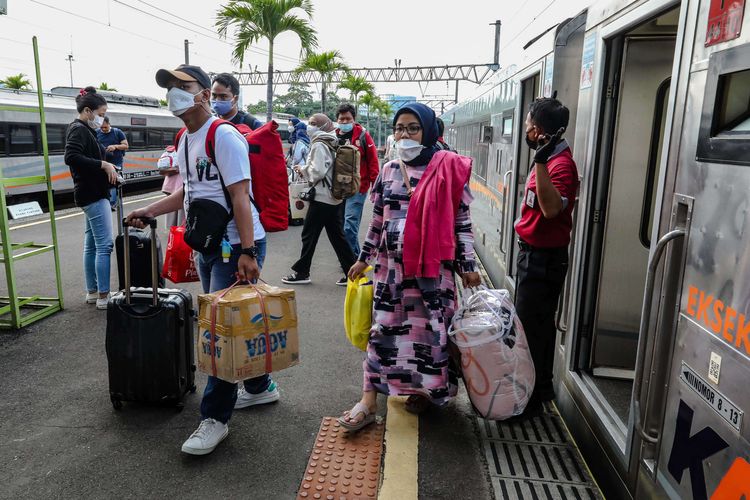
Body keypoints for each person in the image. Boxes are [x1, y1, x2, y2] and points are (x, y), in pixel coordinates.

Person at [126, 64, 277, 456]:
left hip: (235, 246)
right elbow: (189, 194)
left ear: (205, 94)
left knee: (219, 333)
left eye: (183, 86)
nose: (175, 93)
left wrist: (247, 251)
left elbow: (241, 197)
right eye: (170, 87)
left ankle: (215, 418)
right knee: (231, 325)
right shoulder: (185, 138)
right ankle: (260, 388)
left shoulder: (222, 136)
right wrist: (151, 210)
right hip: (210, 245)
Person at [339, 103, 481, 431]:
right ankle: (368, 401)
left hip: (434, 277)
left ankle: (424, 391)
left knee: (429, 338)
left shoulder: (449, 168)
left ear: (428, 131)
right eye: (399, 128)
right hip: (391, 275)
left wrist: (468, 264)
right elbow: (377, 221)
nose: (404, 134)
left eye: (412, 128)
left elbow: (462, 222)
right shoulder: (388, 170)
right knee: (383, 334)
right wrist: (363, 258)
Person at [513, 97, 579, 413]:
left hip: (543, 260)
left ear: (538, 130)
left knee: (530, 332)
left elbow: (552, 209)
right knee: (533, 329)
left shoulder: (559, 164)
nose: (525, 131)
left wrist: (540, 162)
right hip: (534, 257)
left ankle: (527, 404)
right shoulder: (550, 158)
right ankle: (537, 393)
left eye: (527, 126)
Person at [281, 114, 356, 286]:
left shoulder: (319, 144)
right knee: (337, 237)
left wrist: (303, 169)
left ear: (323, 126)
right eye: (310, 123)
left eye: (314, 124)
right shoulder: (333, 141)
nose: (310, 126)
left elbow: (318, 172)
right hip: (334, 197)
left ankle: (302, 272)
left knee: (309, 234)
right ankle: (352, 272)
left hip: (322, 197)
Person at [64, 87, 119, 310]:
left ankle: (92, 291)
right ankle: (104, 296)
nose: (102, 118)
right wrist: (103, 164)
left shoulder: (83, 129)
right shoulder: (79, 129)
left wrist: (107, 163)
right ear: (88, 110)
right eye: (101, 112)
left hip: (89, 192)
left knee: (92, 245)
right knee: (104, 245)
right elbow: (72, 157)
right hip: (93, 194)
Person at [335, 103, 379, 256]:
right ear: (337, 120)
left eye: (348, 119)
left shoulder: (363, 135)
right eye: (342, 119)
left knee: (349, 226)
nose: (345, 122)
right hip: (338, 188)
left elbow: (373, 161)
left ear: (354, 119)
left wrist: (376, 186)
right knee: (342, 227)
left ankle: (352, 260)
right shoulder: (333, 136)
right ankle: (353, 258)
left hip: (358, 187)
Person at [96, 116, 128, 210]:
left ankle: (112, 204)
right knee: (103, 182)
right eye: (101, 127)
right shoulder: (97, 133)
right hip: (103, 162)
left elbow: (126, 146)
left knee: (113, 181)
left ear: (109, 124)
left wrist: (115, 146)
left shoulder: (117, 132)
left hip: (116, 162)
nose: (103, 129)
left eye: (105, 127)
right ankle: (106, 202)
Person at [157, 145, 184, 228]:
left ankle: (171, 231)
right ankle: (179, 232)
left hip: (169, 185)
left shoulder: (170, 151)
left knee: (171, 210)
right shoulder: (185, 150)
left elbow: (161, 170)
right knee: (181, 212)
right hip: (180, 185)